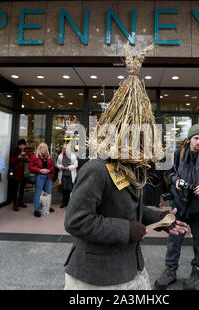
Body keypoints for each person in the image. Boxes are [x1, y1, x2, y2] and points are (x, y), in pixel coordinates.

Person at [63, 44, 188, 290]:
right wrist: (126, 230)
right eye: (137, 138)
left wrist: (162, 219)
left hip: (129, 268)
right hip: (96, 278)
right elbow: (76, 221)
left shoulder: (133, 170)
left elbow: (130, 212)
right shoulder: (97, 169)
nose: (142, 144)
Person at [155, 124, 199, 290]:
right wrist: (176, 181)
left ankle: (197, 273)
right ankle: (170, 271)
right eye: (196, 138)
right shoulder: (179, 154)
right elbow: (168, 173)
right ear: (189, 139)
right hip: (179, 205)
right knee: (174, 241)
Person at [29, 142, 55, 217]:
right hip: (39, 176)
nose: (43, 149)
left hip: (48, 177)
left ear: (46, 149)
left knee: (48, 193)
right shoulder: (35, 157)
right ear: (39, 149)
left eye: (45, 148)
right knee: (38, 193)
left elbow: (52, 166)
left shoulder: (48, 157)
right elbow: (30, 167)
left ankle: (47, 207)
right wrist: (40, 170)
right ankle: (36, 210)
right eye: (42, 148)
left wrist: (49, 170)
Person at [9, 139, 31, 211]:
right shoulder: (14, 152)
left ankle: (20, 201)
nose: (22, 146)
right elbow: (11, 161)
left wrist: (27, 158)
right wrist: (18, 157)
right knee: (15, 189)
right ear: (18, 145)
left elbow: (31, 161)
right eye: (20, 145)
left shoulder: (27, 152)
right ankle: (15, 203)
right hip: (16, 173)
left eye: (23, 145)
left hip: (24, 173)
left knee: (22, 189)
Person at [55, 144, 78, 208]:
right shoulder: (60, 156)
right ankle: (64, 202)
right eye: (65, 149)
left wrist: (69, 167)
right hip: (64, 175)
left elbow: (76, 164)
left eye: (67, 149)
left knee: (70, 189)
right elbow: (57, 164)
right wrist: (61, 167)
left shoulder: (73, 156)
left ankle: (69, 202)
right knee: (64, 189)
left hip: (71, 175)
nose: (66, 150)